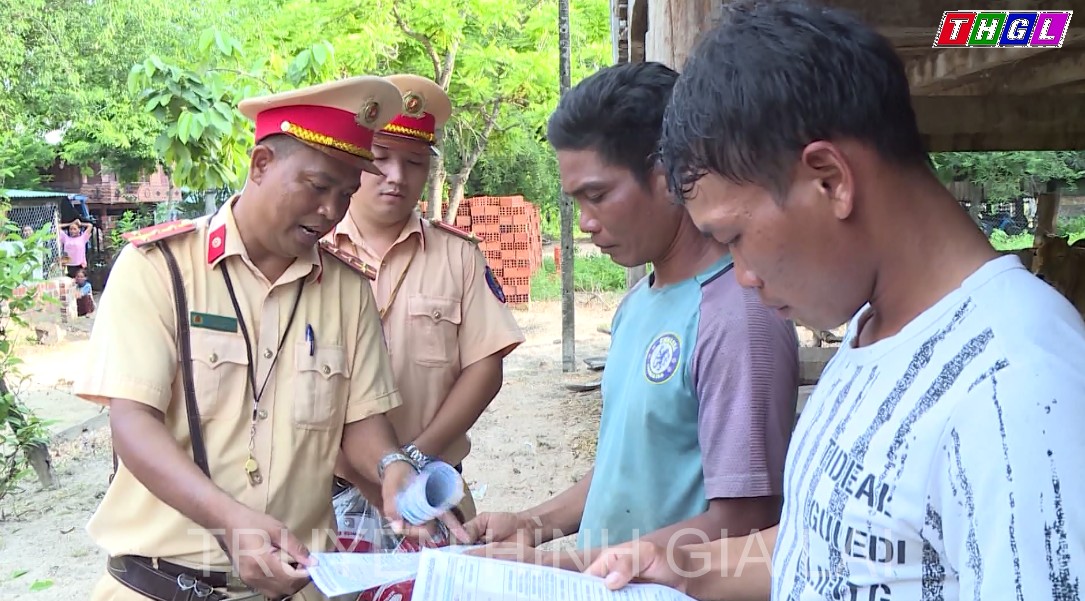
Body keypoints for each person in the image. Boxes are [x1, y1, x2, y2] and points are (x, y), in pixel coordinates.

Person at [584, 2, 1085, 600]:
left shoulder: (1017, 383)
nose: (741, 276)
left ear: (830, 179)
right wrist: (676, 564)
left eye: (734, 238)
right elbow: (819, 547)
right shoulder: (871, 331)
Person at [74, 75, 448, 601]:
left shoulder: (346, 291)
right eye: (318, 187)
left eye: (345, 194)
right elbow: (132, 423)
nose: (330, 211)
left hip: (298, 588)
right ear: (261, 165)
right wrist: (230, 522)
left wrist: (392, 471)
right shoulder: (160, 270)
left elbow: (362, 425)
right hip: (161, 584)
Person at [466, 61, 800, 570]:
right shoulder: (637, 304)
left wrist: (575, 566)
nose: (587, 222)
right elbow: (625, 465)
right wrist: (532, 526)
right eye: (576, 201)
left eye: (598, 195)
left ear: (670, 177)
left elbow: (747, 522)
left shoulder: (738, 315)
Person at [328, 73, 525, 532]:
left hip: (430, 491)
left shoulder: (456, 255)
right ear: (354, 158)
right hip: (326, 495)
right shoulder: (313, 254)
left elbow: (485, 366)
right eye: (379, 158)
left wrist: (412, 458)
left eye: (415, 162)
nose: (397, 176)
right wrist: (367, 467)